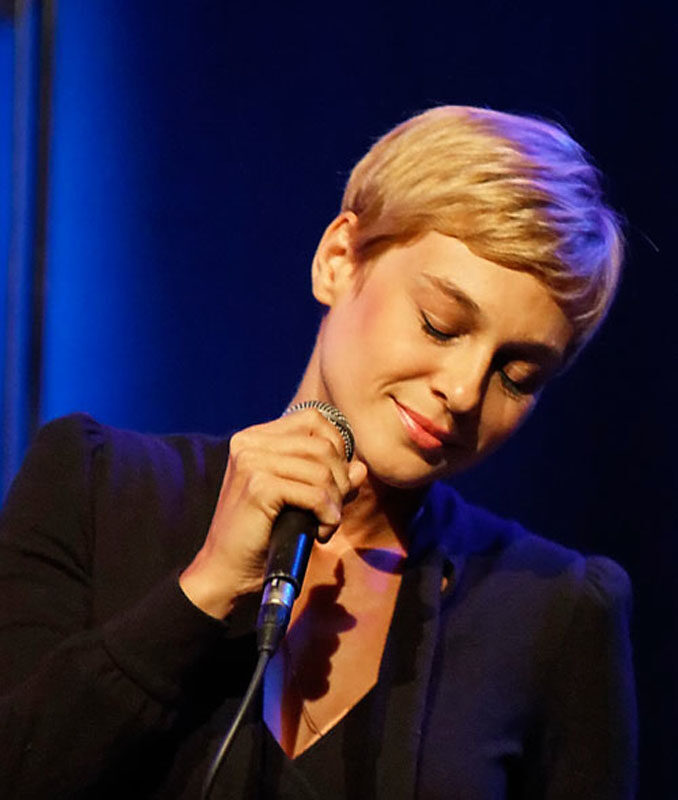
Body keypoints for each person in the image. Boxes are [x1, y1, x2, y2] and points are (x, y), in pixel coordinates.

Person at [0, 106, 636, 798]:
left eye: (517, 376)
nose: (462, 391)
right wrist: (204, 590)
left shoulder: (554, 610)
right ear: (339, 260)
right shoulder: (99, 490)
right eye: (440, 324)